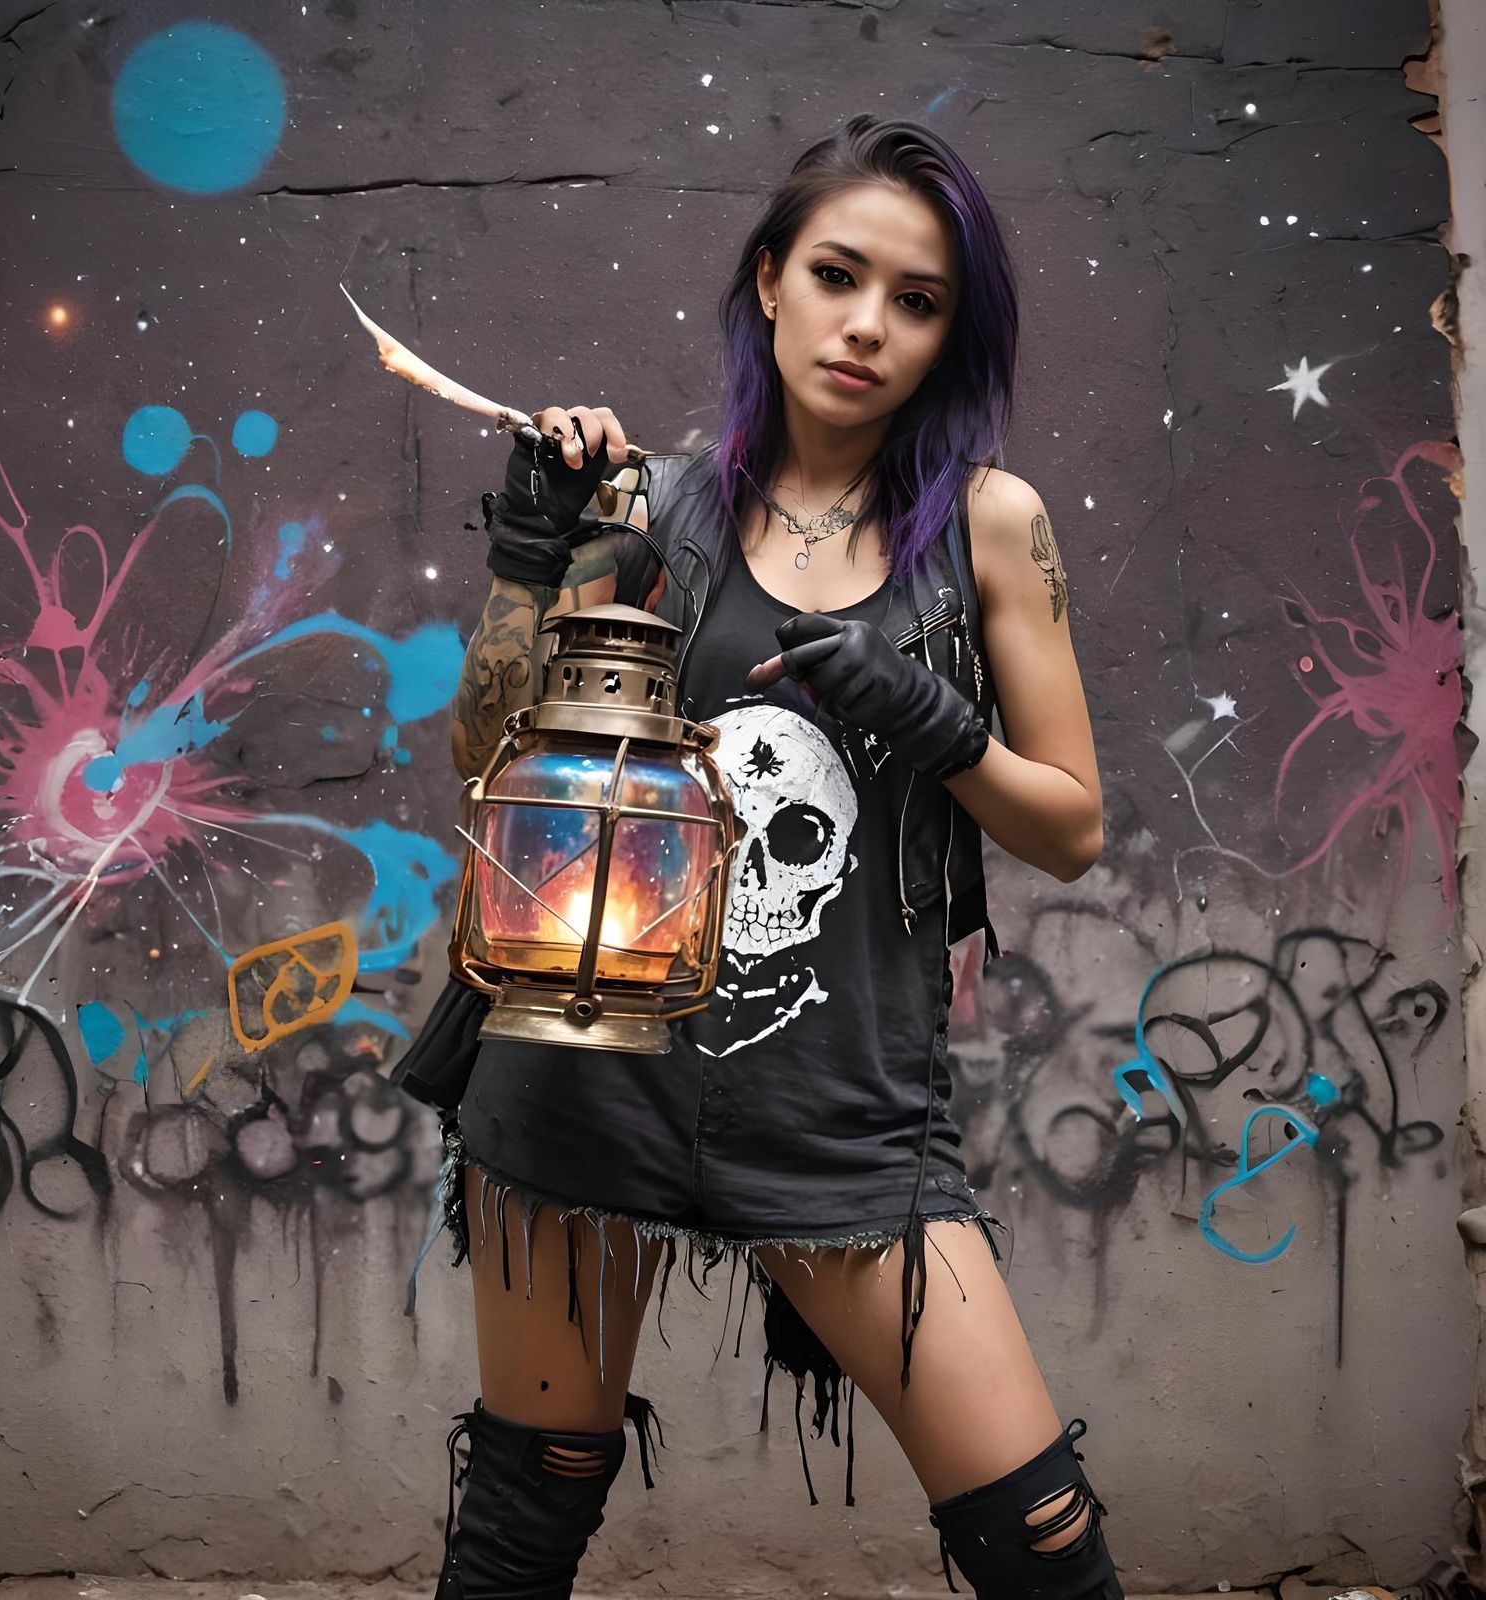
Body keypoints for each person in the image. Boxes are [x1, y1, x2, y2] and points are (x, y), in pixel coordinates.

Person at [434, 113, 1115, 1599]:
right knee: (522, 1526)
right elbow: (486, 759)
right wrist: (528, 558)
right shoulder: (652, 511)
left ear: (952, 333)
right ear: (768, 281)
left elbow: (1072, 826)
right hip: (587, 1088)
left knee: (1044, 1546)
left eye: (918, 300)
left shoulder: (990, 531)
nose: (868, 325)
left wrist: (934, 724)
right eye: (837, 274)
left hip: (843, 1106)